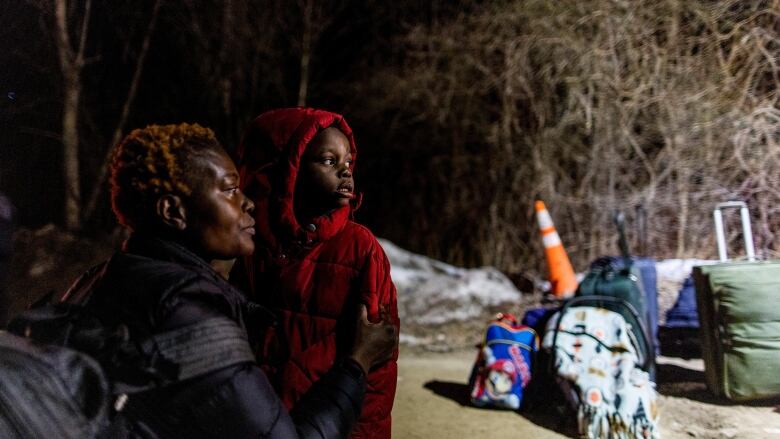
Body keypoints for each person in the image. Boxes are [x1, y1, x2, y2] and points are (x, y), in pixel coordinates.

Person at [76, 123, 397, 438]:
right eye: (230, 189)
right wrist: (357, 363)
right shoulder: (191, 312)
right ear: (172, 210)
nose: (247, 201)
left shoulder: (104, 279)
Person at [231, 108, 400, 439]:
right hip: (265, 421)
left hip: (332, 418)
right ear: (287, 170)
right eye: (328, 161)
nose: (345, 173)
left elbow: (378, 364)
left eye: (348, 163)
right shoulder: (253, 249)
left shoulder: (359, 248)